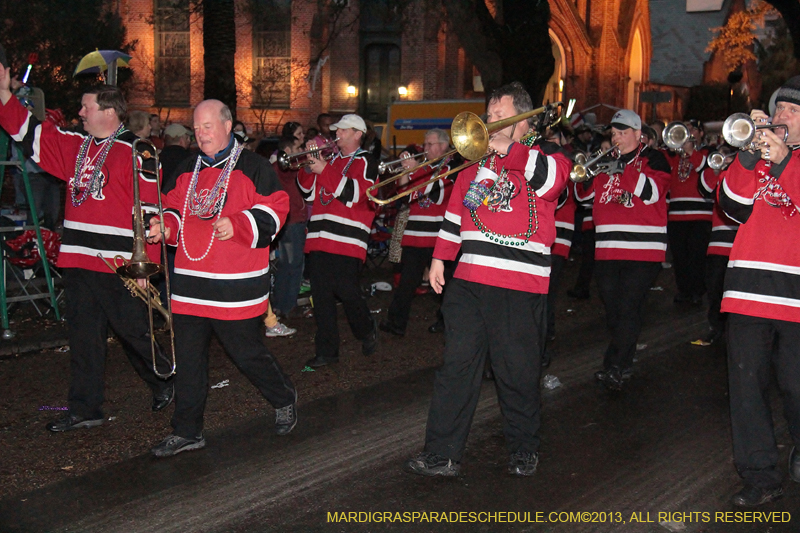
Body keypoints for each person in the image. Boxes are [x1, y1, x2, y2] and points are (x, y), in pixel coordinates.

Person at [404, 82, 571, 477]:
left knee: (517, 372)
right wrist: (440, 258)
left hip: (520, 282)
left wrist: (509, 150)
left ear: (524, 119)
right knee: (456, 368)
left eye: (500, 115)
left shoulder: (548, 153)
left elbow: (552, 183)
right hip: (469, 279)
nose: (490, 122)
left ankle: (523, 448)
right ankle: (441, 453)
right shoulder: (478, 161)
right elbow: (457, 212)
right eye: (489, 114)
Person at [0, 65, 174, 432]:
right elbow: (32, 133)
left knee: (132, 331)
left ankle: (165, 379)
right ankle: (85, 408)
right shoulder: (76, 145)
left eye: (86, 106)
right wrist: (4, 94)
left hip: (118, 263)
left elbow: (150, 213)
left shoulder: (138, 151)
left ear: (109, 111)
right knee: (83, 338)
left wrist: (146, 268)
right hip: (78, 259)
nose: (80, 112)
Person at [148, 99, 297, 457]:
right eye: (196, 128)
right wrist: (163, 227)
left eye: (208, 126)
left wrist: (241, 223)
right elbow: (172, 209)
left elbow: (278, 210)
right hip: (190, 283)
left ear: (228, 126)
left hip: (235, 285)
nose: (200, 134)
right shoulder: (187, 167)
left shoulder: (254, 166)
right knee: (188, 360)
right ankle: (187, 431)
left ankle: (283, 397)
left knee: (246, 354)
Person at [717, 75, 800, 507]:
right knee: (746, 388)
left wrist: (784, 161)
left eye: (792, 110)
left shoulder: (787, 159)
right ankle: (760, 476)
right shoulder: (759, 156)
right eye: (779, 107)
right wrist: (748, 156)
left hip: (795, 294)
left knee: (795, 386)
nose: (780, 115)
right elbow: (730, 206)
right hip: (748, 289)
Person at [575, 109, 671, 391]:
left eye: (622, 132)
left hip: (643, 250)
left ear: (638, 134)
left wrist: (622, 169)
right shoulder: (606, 161)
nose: (616, 138)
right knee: (615, 310)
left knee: (628, 307)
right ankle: (624, 360)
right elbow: (584, 198)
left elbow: (653, 193)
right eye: (614, 133)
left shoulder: (654, 158)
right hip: (607, 249)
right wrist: (587, 174)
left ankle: (614, 366)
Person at [298, 114, 379, 368]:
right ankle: (327, 351)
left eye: (343, 130)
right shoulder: (331, 160)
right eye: (337, 130)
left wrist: (324, 169)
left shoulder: (367, 161)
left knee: (347, 291)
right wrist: (309, 164)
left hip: (348, 239)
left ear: (358, 134)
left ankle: (366, 329)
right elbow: (308, 193)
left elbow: (355, 194)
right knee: (321, 296)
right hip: (319, 237)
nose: (337, 134)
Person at [380, 129, 453, 336]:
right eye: (425, 144)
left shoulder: (450, 168)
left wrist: (415, 171)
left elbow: (437, 194)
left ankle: (447, 322)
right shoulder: (422, 168)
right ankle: (396, 323)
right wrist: (405, 172)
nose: (425, 148)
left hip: (438, 237)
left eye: (430, 144)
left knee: (445, 284)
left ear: (443, 146)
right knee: (406, 283)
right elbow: (404, 197)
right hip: (414, 235)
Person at [664, 119, 712, 304]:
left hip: (700, 215)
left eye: (692, 129)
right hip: (676, 215)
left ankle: (697, 291)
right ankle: (683, 290)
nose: (688, 132)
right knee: (679, 257)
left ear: (701, 133)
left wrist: (691, 151)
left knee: (697, 256)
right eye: (685, 129)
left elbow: (706, 169)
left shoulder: (708, 152)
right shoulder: (673, 155)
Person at [270, 136, 308, 321]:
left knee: (286, 265)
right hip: (293, 221)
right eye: (298, 148)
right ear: (287, 151)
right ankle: (287, 306)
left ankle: (279, 305)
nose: (301, 151)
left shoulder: (280, 167)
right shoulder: (285, 168)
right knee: (294, 265)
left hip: (287, 221)